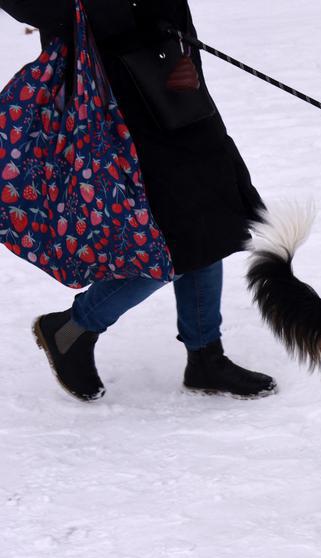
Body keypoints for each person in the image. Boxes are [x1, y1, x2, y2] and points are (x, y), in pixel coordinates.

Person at [0, 0, 277, 400]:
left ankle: (205, 357)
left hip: (174, 84)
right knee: (171, 237)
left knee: (210, 220)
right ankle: (73, 329)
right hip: (113, 108)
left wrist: (183, 52)